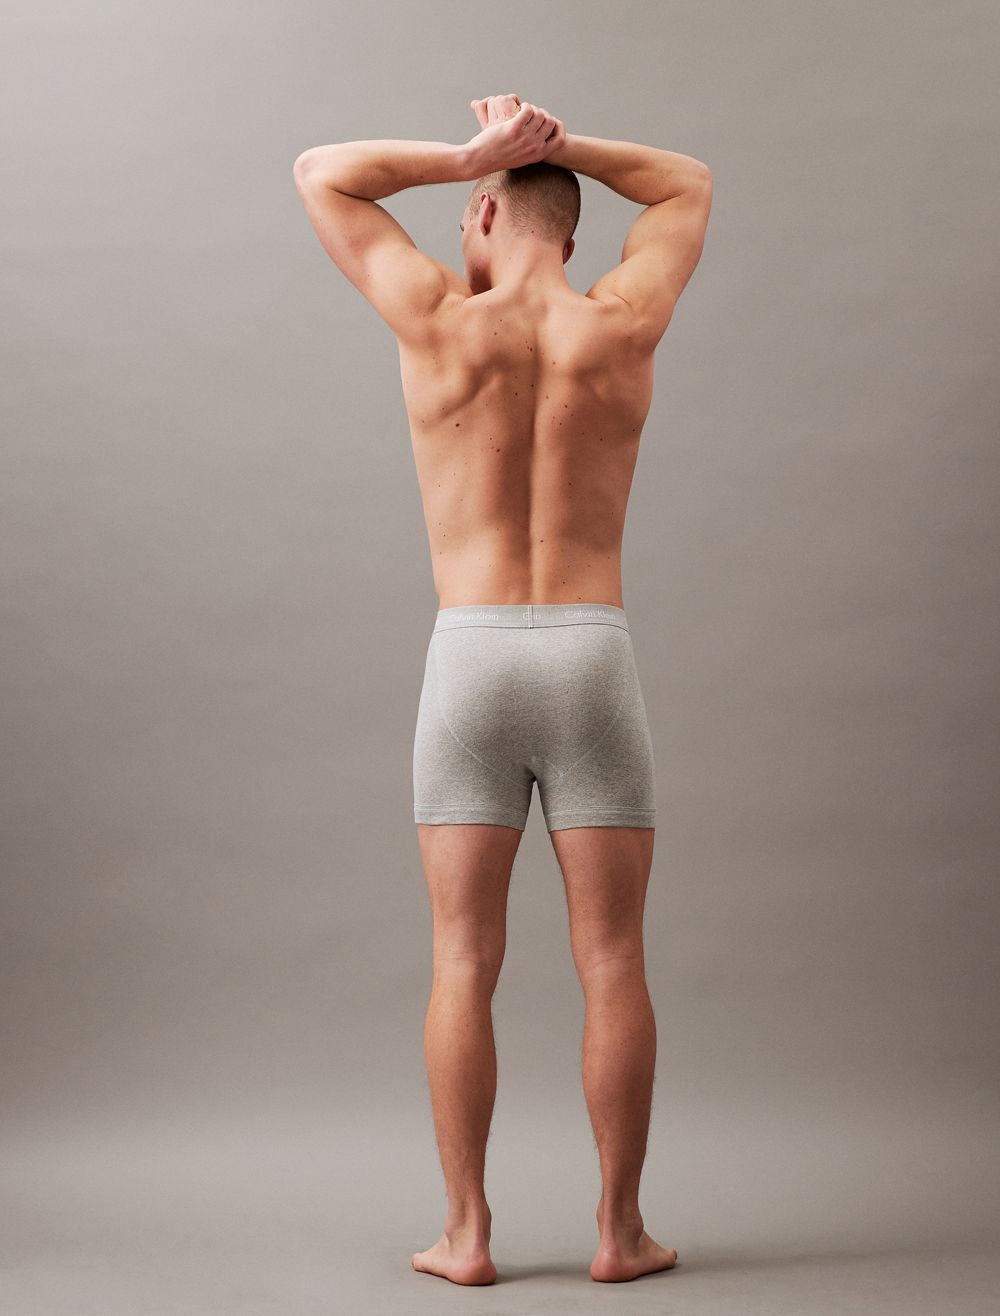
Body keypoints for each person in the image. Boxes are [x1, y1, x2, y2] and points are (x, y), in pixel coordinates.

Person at [292, 93, 712, 1286]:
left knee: (462, 959)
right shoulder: (619, 321)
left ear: (480, 214)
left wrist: (473, 153)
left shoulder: (435, 319)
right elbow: (687, 182)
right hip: (590, 652)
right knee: (612, 959)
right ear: (571, 234)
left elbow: (322, 171)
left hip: (470, 656)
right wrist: (558, 148)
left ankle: (466, 1233)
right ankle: (619, 1232)